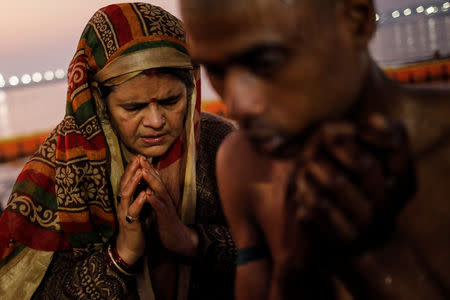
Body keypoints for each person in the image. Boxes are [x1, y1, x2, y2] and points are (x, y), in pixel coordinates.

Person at [180, 0, 450, 299]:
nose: (237, 104)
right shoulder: (242, 163)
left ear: (357, 20)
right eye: (215, 70)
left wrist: (374, 253)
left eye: (266, 61)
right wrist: (297, 265)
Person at [0, 3, 236, 299]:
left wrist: (188, 240)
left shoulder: (221, 146)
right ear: (99, 102)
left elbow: (277, 257)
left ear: (191, 89)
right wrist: (121, 254)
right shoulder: (58, 171)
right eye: (133, 107)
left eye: (171, 101)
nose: (155, 121)